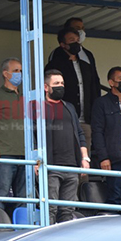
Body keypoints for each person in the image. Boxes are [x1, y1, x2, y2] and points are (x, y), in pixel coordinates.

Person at [43, 69, 90, 223]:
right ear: (46, 87)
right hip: (51, 167)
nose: (61, 86)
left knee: (67, 210)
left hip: (71, 166)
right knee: (50, 208)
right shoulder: (40, 108)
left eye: (62, 83)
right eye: (56, 83)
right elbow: (34, 135)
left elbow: (80, 133)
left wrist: (84, 158)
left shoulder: (69, 107)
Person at [45, 24, 100, 150]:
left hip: (85, 121)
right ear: (63, 44)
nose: (76, 43)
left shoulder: (86, 65)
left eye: (77, 40)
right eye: (71, 40)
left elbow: (94, 89)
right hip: (63, 119)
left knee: (85, 155)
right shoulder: (55, 65)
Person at [91, 66, 121, 207]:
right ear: (111, 82)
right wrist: (103, 157)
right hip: (114, 158)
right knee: (114, 196)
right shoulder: (101, 103)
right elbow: (97, 132)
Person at [0, 58, 26, 214]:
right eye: (15, 71)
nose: (19, 74)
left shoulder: (26, 97)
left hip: (26, 155)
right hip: (4, 154)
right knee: (1, 194)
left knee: (25, 198)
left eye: (20, 71)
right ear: (5, 74)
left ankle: (22, 224)